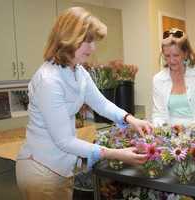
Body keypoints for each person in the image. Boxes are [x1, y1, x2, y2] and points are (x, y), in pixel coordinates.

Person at [16, 7, 152, 200]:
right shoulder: (49, 80)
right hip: (42, 171)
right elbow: (64, 141)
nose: (93, 48)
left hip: (61, 168)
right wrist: (116, 153)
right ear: (68, 38)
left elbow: (101, 103)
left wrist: (130, 119)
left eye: (93, 41)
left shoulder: (77, 71)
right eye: (88, 41)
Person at [152, 28, 195, 126]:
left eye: (176, 55)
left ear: (185, 53)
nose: (171, 60)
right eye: (167, 56)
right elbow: (158, 115)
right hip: (171, 134)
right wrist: (164, 131)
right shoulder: (158, 79)